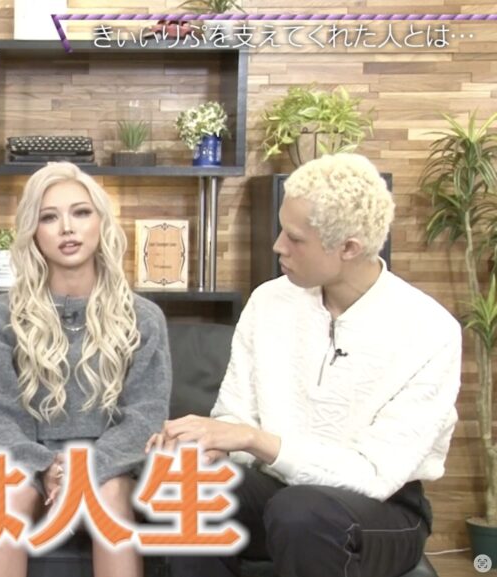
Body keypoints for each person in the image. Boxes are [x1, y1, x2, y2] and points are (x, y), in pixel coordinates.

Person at [150, 153, 461, 577]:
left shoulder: (429, 330)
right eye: (282, 229)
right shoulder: (268, 301)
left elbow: (374, 475)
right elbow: (235, 418)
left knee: (300, 511)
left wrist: (254, 440)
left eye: (295, 238)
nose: (278, 245)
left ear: (348, 248)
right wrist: (207, 445)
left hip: (381, 511)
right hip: (275, 492)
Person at [0, 162, 172, 577]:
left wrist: (85, 470)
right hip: (27, 464)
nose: (67, 228)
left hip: (113, 467)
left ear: (101, 222)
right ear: (33, 232)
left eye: (80, 212)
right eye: (49, 217)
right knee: (5, 501)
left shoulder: (144, 317)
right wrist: (44, 465)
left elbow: (145, 417)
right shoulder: (0, 316)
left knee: (109, 498)